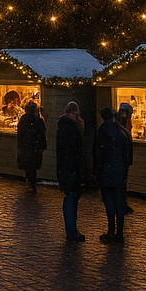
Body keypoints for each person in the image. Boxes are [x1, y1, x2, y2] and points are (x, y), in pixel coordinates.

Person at [93, 106, 131, 243]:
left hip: (107, 172)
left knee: (109, 202)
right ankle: (119, 232)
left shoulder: (102, 132)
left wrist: (97, 171)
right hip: (119, 172)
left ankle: (111, 230)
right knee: (119, 203)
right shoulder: (121, 132)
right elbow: (126, 154)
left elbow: (98, 154)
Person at [56, 100, 86, 242]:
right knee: (71, 197)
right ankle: (71, 231)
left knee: (72, 197)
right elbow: (71, 150)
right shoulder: (69, 128)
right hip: (70, 168)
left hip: (69, 168)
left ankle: (72, 229)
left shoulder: (66, 126)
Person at [17, 101, 47, 191]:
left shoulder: (23, 119)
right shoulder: (38, 120)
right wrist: (42, 146)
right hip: (35, 147)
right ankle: (32, 182)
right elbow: (42, 133)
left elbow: (20, 134)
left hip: (27, 146)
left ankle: (29, 181)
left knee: (28, 165)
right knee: (33, 166)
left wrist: (20, 146)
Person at [117, 102, 136, 214]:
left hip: (124, 157)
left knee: (123, 181)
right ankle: (121, 203)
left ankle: (122, 203)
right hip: (123, 157)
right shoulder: (122, 124)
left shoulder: (123, 122)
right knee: (122, 181)